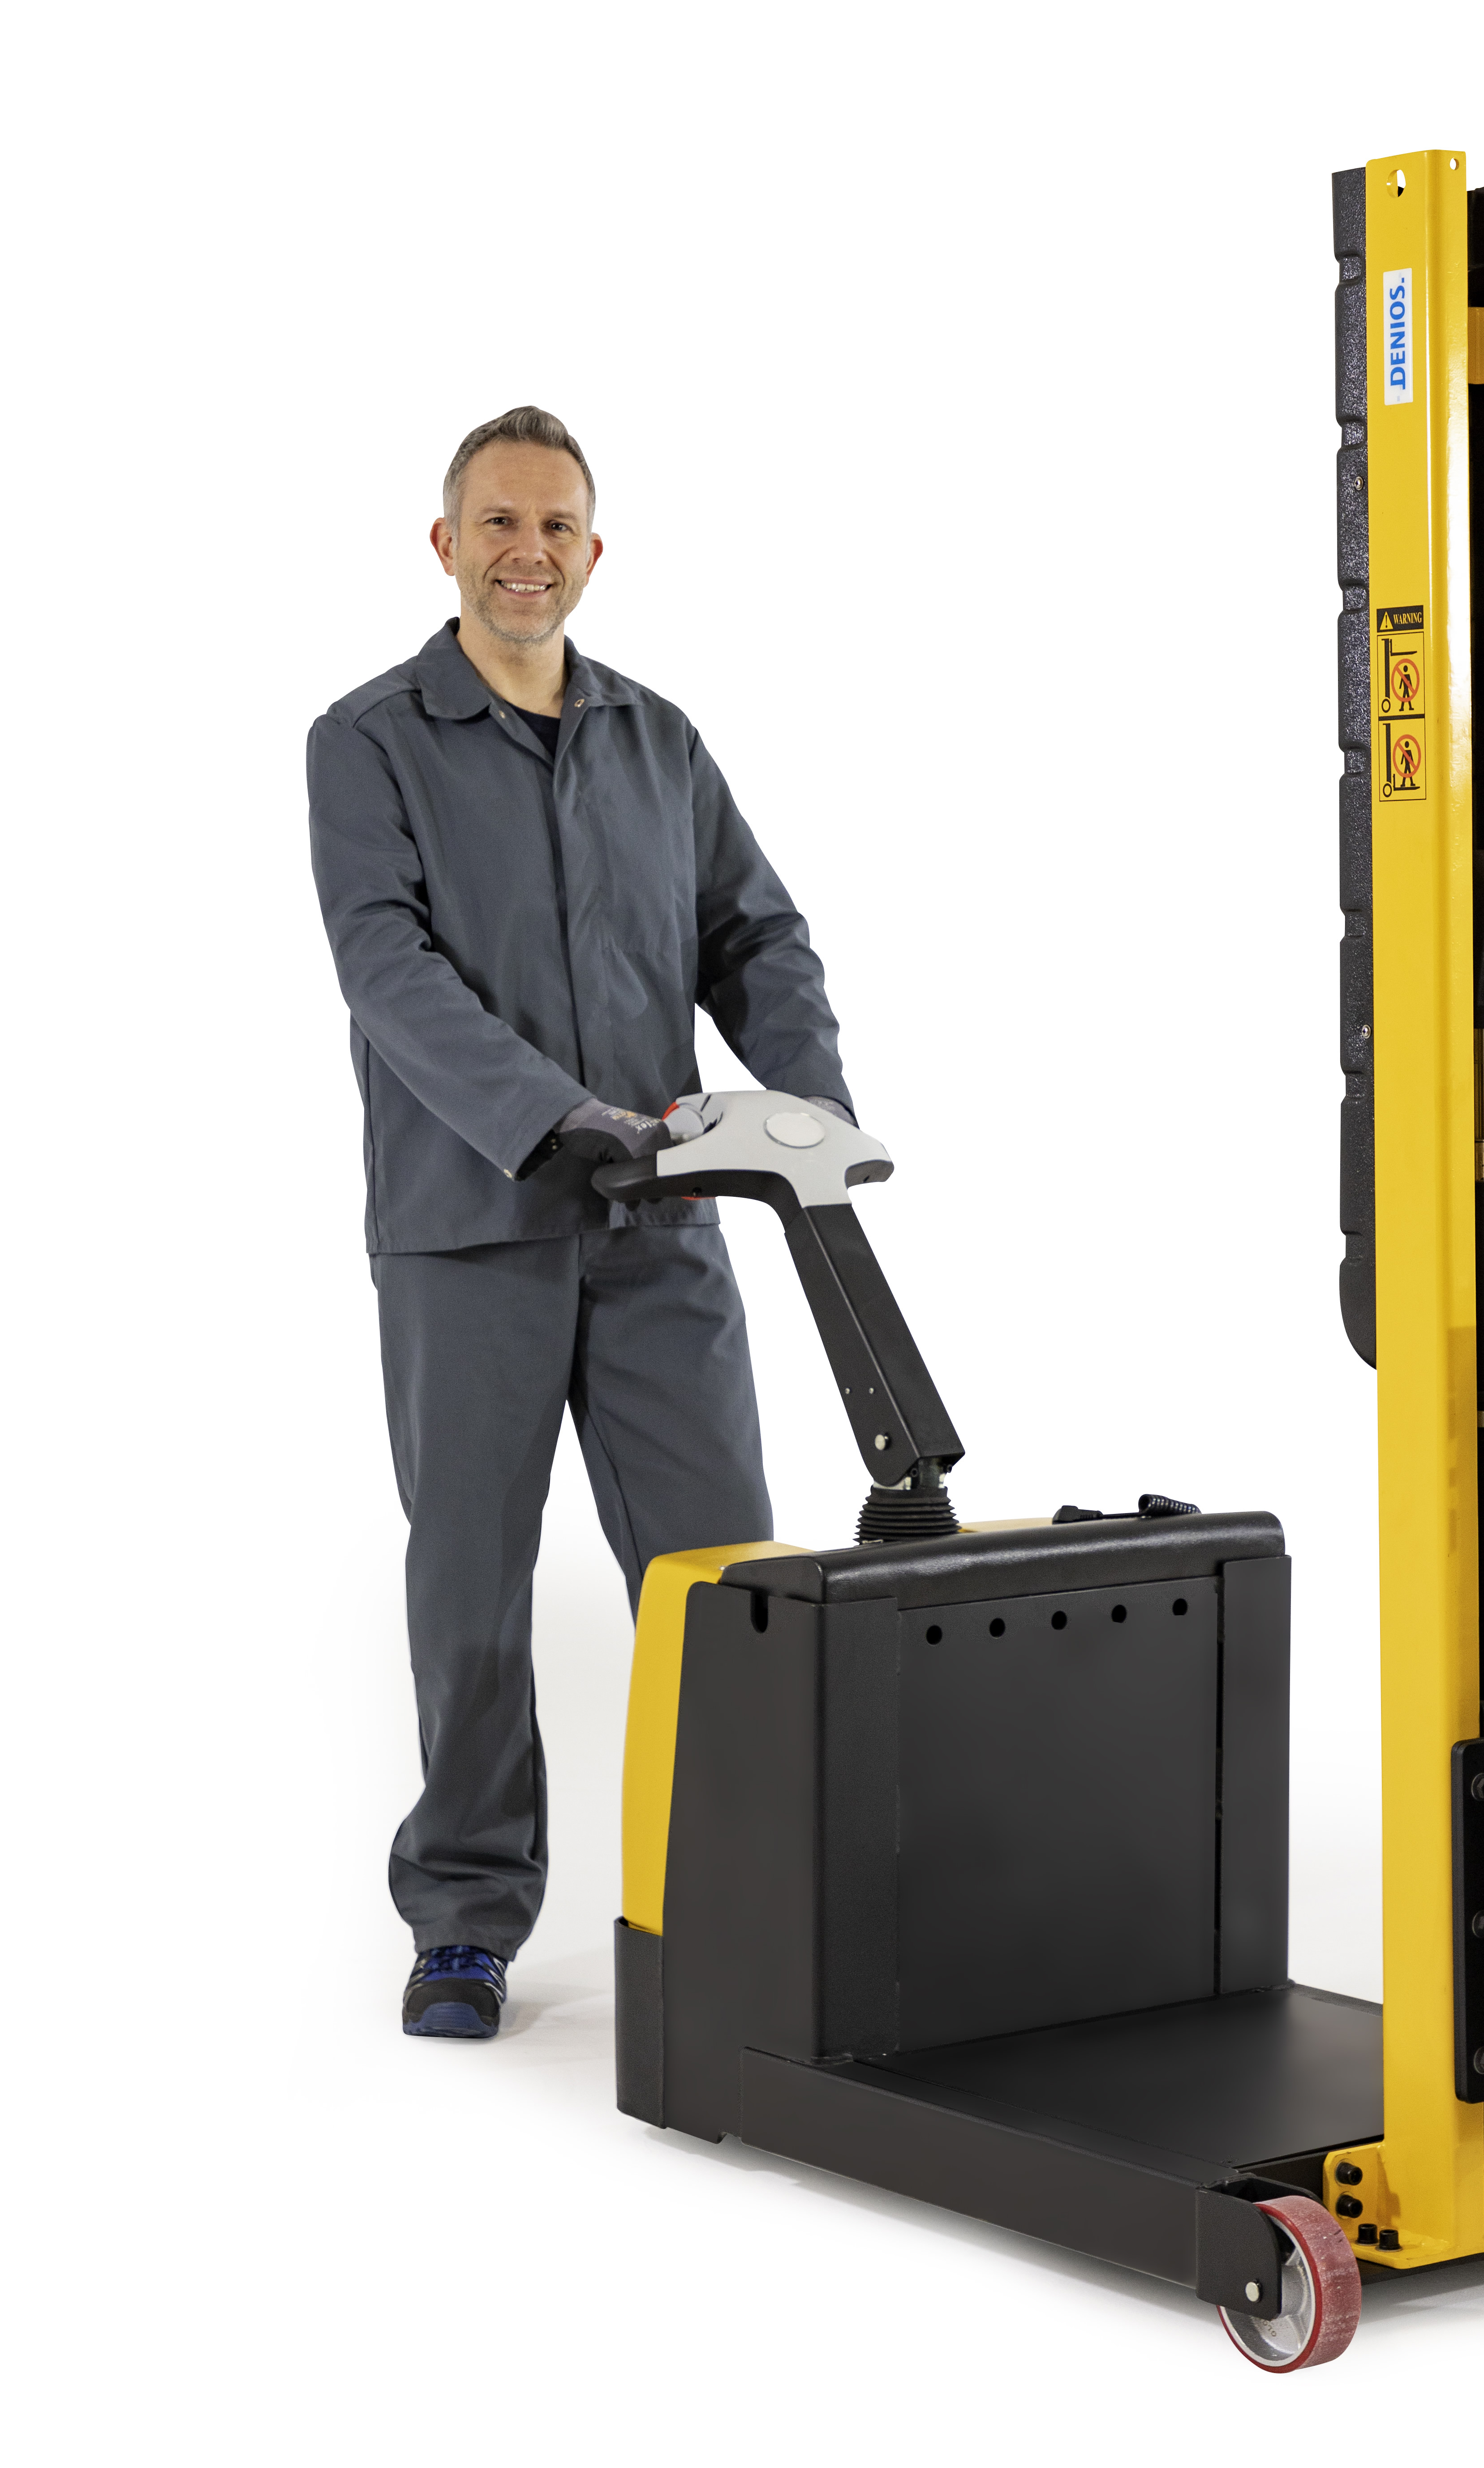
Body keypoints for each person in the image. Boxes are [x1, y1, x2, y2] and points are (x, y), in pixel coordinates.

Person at [308, 406, 856, 2040]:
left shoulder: (655, 740)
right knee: (472, 1589)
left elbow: (755, 935)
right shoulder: (368, 742)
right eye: (498, 522)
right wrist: (556, 1116)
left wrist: (810, 1109)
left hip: (662, 1222)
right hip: (470, 1223)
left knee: (724, 1575)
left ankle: (757, 1913)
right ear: (445, 543)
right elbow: (387, 968)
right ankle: (464, 1922)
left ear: (594, 552)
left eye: (555, 525)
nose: (526, 551)